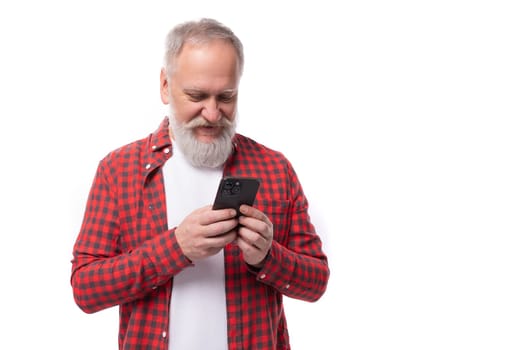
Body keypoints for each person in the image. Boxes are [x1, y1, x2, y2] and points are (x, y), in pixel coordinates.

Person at [70, 18, 329, 350]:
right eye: (196, 95)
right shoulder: (119, 170)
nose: (212, 113)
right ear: (165, 85)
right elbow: (85, 290)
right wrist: (176, 247)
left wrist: (268, 256)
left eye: (226, 96)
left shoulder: (274, 168)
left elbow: (316, 282)